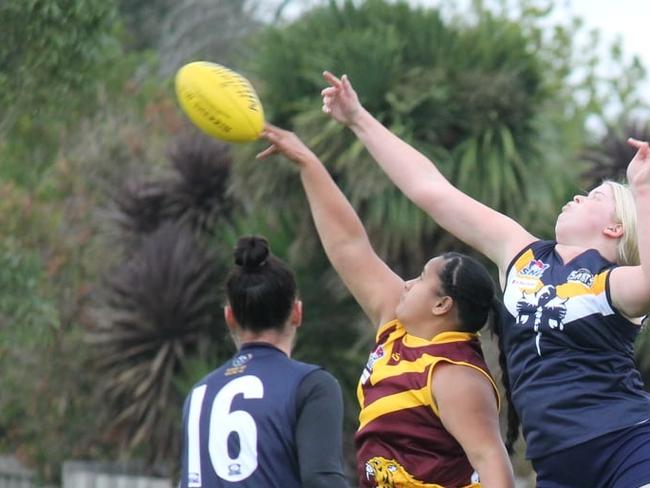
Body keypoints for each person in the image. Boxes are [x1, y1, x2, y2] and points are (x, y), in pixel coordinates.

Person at [320, 71, 650, 487]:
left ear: (616, 229)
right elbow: (431, 190)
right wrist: (358, 118)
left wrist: (643, 189)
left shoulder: (614, 284)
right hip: (557, 467)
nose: (580, 195)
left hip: (628, 446)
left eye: (596, 196)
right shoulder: (522, 254)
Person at [258, 125, 515, 487]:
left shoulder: (454, 372)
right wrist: (308, 163)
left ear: (442, 304)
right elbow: (349, 245)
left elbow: (491, 460)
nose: (408, 282)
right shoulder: (396, 328)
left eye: (422, 278)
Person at [179, 236, 349, 488]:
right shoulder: (312, 386)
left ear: (229, 317)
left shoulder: (199, 394)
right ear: (297, 312)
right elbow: (320, 479)